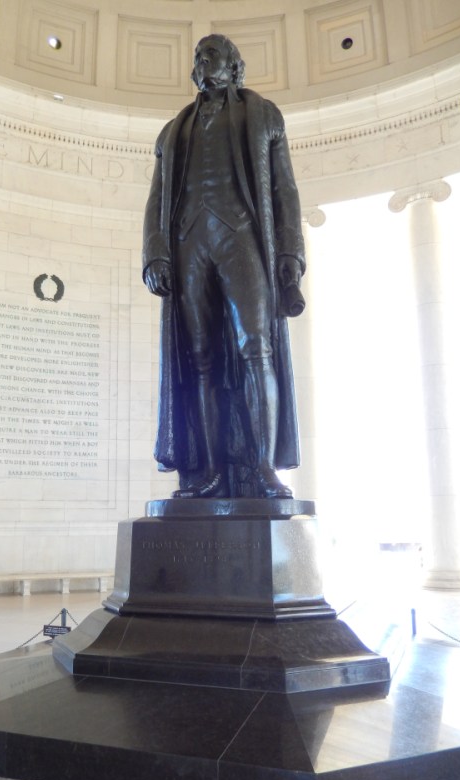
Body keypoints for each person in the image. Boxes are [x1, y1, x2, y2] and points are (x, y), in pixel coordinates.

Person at [143, 34, 306, 499]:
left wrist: (290, 251)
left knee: (257, 348)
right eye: (197, 56)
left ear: (234, 66)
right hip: (188, 241)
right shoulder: (173, 130)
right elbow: (156, 198)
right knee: (200, 361)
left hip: (242, 237)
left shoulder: (263, 115)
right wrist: (155, 251)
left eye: (210, 54)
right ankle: (210, 473)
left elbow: (285, 189)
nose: (201, 61)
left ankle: (263, 469)